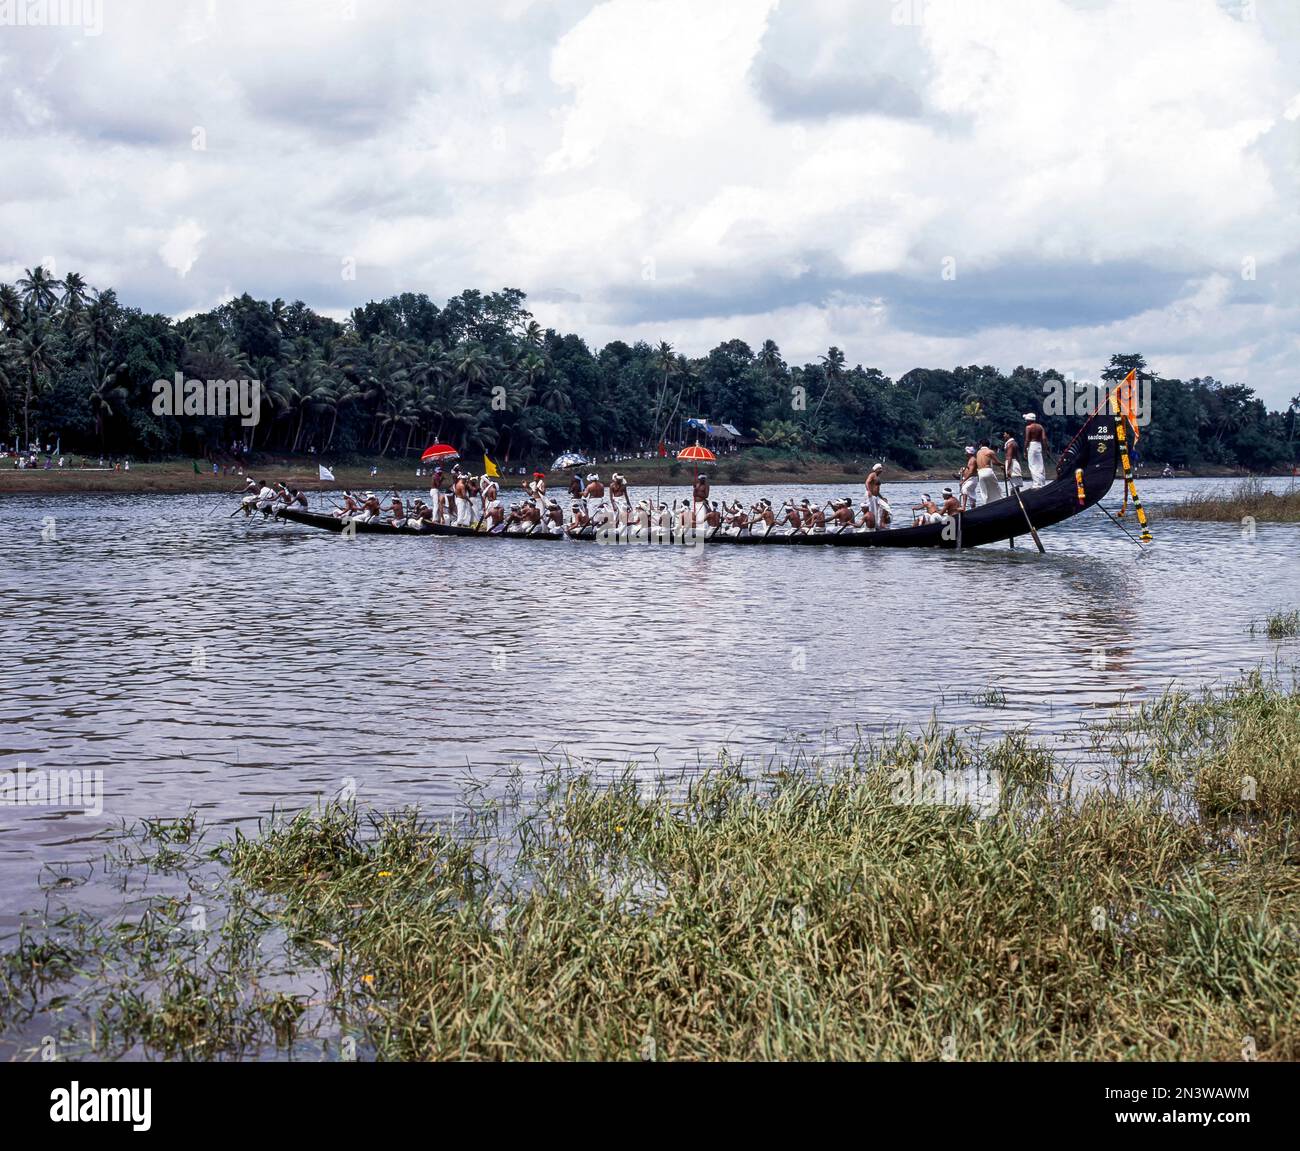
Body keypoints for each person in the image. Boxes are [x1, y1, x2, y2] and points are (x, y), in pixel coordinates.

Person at [1023, 412, 1049, 488]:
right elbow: (1044, 438)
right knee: (1040, 465)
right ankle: (1042, 483)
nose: (1026, 421)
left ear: (1029, 420)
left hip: (1032, 445)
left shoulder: (1028, 427)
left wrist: (1024, 450)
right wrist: (1046, 449)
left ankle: (1036, 484)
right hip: (1038, 445)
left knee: (1033, 465)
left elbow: (1027, 439)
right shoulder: (1040, 427)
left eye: (1026, 420)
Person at [974, 441, 1002, 506]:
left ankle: (986, 504)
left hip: (980, 472)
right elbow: (997, 462)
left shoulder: (978, 452)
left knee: (984, 490)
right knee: (996, 488)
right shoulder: (990, 451)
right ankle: (998, 502)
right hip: (987, 471)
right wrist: (1003, 465)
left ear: (981, 445)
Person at [864, 463, 885, 529]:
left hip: (876, 496)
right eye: (880, 468)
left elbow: (877, 489)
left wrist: (881, 497)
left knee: (878, 510)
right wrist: (868, 491)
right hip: (870, 495)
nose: (881, 470)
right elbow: (867, 482)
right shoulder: (872, 475)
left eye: (881, 468)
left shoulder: (877, 477)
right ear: (876, 469)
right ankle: (870, 526)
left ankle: (876, 525)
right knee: (872, 511)